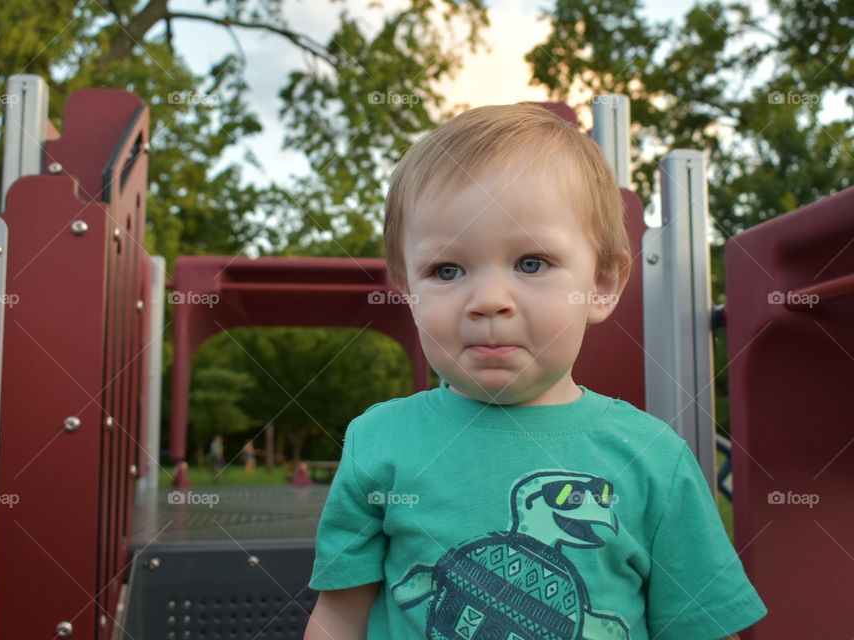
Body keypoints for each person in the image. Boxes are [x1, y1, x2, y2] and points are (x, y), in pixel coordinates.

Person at [304, 103, 766, 640]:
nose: (489, 301)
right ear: (408, 289)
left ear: (602, 284)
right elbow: (339, 616)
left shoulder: (653, 460)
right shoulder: (379, 443)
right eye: (446, 270)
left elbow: (703, 630)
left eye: (531, 263)